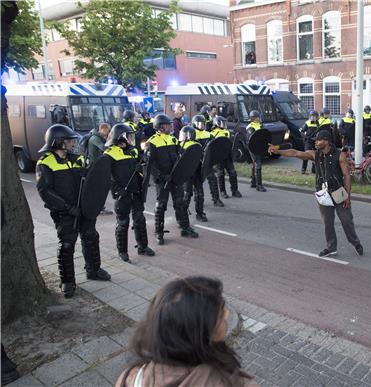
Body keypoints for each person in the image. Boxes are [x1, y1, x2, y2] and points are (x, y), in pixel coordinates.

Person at [115, 276, 258, 387]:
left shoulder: (131, 378)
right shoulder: (226, 382)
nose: (227, 314)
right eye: (220, 314)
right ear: (198, 335)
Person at [36, 124, 111, 298]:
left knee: (91, 236)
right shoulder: (45, 163)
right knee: (67, 244)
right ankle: (67, 281)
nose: (72, 144)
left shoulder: (77, 159)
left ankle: (93, 269)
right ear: (59, 142)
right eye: (69, 141)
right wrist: (67, 208)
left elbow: (90, 179)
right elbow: (45, 192)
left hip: (83, 208)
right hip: (64, 212)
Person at [269, 130, 364, 257]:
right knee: (327, 222)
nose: (316, 143)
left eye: (318, 140)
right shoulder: (315, 154)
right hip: (322, 192)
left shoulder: (340, 155)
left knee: (346, 220)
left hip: (338, 191)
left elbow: (347, 175)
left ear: (326, 141)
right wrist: (278, 151)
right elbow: (296, 153)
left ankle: (355, 242)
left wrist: (347, 196)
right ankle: (331, 247)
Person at [103, 123, 155, 263]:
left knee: (139, 219)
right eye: (129, 136)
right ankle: (122, 251)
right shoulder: (109, 154)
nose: (132, 139)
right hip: (122, 194)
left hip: (135, 191)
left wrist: (143, 163)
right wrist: (118, 191)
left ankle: (143, 247)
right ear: (120, 138)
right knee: (123, 223)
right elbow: (106, 177)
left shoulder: (133, 151)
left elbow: (140, 168)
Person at [146, 114, 198, 245]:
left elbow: (180, 156)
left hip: (175, 177)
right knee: (161, 206)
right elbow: (149, 165)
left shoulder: (173, 139)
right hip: (162, 180)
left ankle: (185, 227)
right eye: (168, 125)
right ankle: (159, 232)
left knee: (180, 203)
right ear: (161, 127)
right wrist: (161, 176)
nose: (170, 126)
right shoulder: (151, 142)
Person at [185, 115, 212, 221]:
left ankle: (199, 213)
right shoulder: (182, 145)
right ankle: (182, 215)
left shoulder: (205, 136)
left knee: (200, 193)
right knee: (187, 194)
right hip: (187, 172)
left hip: (197, 169)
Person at [211, 116, 242, 199]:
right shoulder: (213, 134)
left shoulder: (227, 132)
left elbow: (231, 144)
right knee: (220, 174)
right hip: (219, 157)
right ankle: (222, 191)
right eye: (222, 122)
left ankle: (234, 190)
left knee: (233, 172)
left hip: (227, 156)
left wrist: (235, 152)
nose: (224, 124)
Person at [247, 110, 267, 192]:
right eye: (258, 117)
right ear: (254, 118)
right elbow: (252, 139)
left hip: (259, 147)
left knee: (255, 164)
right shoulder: (250, 127)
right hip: (253, 148)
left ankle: (253, 182)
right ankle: (259, 185)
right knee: (258, 164)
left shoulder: (260, 125)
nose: (259, 118)